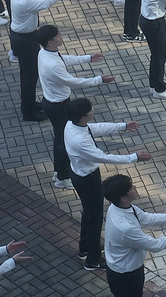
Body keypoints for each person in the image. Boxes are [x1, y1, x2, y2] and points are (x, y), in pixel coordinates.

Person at [65, 97, 152, 271]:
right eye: (90, 110)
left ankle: (86, 248)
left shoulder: (72, 125)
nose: (93, 111)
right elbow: (103, 157)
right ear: (83, 117)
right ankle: (93, 260)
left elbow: (94, 129)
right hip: (87, 179)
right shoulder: (80, 141)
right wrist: (133, 157)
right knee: (95, 219)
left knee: (89, 215)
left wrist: (122, 126)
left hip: (81, 175)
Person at [36, 24, 112, 189]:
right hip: (58, 106)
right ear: (50, 42)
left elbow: (64, 59)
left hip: (54, 102)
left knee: (60, 139)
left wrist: (87, 58)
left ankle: (59, 172)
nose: (61, 36)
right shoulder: (52, 65)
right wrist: (98, 80)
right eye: (58, 35)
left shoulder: (45, 53)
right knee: (64, 142)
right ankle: (63, 178)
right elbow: (73, 82)